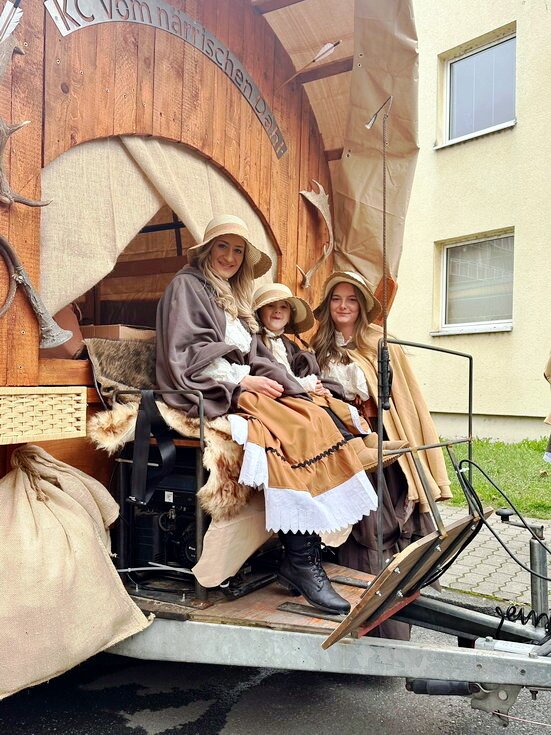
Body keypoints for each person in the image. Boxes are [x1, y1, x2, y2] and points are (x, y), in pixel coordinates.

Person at [156, 216, 379, 615]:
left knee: (312, 415)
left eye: (237, 250)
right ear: (207, 250)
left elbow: (256, 354)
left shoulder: (229, 295)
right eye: (222, 247)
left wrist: (288, 384)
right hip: (203, 386)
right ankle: (301, 560)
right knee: (293, 426)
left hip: (238, 384)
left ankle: (303, 553)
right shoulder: (187, 286)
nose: (229, 257)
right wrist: (243, 382)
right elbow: (186, 352)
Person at [311, 271, 452, 637]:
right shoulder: (319, 345)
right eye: (336, 299)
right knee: (353, 525)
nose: (343, 306)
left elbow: (403, 402)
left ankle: (390, 627)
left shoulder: (380, 343)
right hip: (341, 441)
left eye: (351, 300)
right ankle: (355, 619)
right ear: (327, 305)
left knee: (383, 525)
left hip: (380, 441)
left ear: (362, 306)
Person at [252, 281, 407, 473]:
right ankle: (357, 448)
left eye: (283, 307)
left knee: (331, 403)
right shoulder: (257, 342)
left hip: (364, 414)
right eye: (270, 306)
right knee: (322, 409)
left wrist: (322, 386)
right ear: (259, 311)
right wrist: (308, 385)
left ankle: (368, 439)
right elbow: (270, 371)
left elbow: (306, 370)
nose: (277, 311)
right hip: (283, 398)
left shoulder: (289, 345)